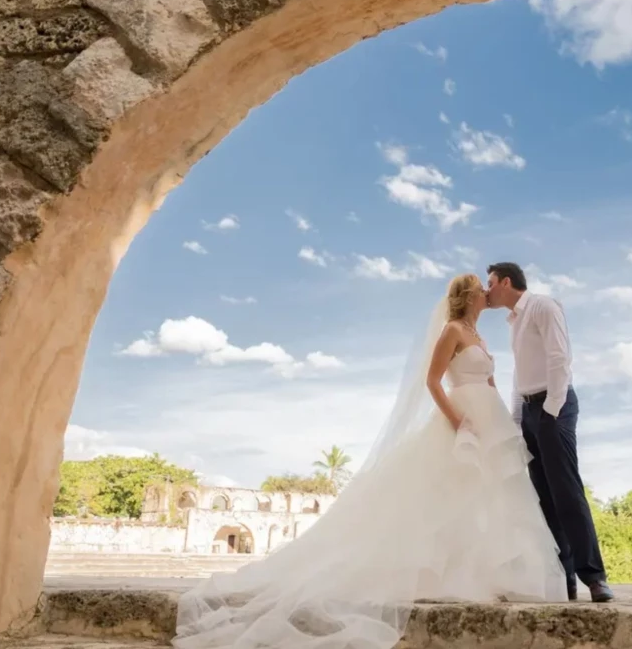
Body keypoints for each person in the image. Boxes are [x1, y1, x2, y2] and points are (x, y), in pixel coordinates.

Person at [172, 274, 567, 649]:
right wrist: (457, 420)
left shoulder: (480, 335)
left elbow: (491, 381)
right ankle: (445, 573)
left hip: (490, 417)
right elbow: (432, 380)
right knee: (452, 493)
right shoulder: (452, 331)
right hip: (461, 417)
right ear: (470, 296)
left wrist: (502, 418)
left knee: (492, 496)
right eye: (482, 288)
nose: (488, 292)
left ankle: (489, 573)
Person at [485, 262, 614, 603]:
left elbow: (560, 357)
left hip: (552, 408)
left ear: (506, 282)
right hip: (530, 410)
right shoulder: (513, 322)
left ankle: (595, 578)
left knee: (567, 491)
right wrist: (516, 420)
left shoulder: (543, 306)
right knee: (544, 498)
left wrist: (552, 410)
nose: (487, 290)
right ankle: (565, 579)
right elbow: (520, 375)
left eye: (491, 283)